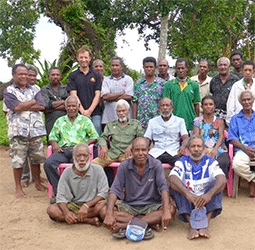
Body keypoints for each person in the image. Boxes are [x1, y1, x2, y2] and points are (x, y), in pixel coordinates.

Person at [103, 137, 176, 238]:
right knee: (104, 211)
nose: (140, 153)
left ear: (148, 151)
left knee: (171, 209)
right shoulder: (124, 166)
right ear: (132, 152)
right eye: (137, 150)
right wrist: (109, 213)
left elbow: (163, 187)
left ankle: (126, 225)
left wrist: (167, 210)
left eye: (143, 150)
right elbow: (115, 190)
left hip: (152, 205)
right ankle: (148, 224)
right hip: (130, 206)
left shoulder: (156, 164)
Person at [169, 135, 226, 239]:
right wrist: (188, 194)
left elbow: (222, 179)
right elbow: (172, 178)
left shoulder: (211, 162)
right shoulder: (182, 161)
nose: (196, 149)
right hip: (188, 200)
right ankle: (192, 226)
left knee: (218, 185)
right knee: (176, 186)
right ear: (188, 149)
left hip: (205, 200)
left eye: (199, 146)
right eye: (193, 146)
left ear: (204, 148)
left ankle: (205, 224)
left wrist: (208, 195)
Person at [3, 64, 47, 198]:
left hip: (35, 130)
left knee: (36, 158)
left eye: (26, 74)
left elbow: (42, 105)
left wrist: (23, 106)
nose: (24, 76)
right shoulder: (9, 91)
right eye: (21, 74)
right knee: (18, 160)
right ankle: (18, 188)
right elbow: (16, 107)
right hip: (18, 131)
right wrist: (33, 101)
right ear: (13, 75)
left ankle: (38, 182)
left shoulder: (36, 88)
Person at [44, 96, 98, 198]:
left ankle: (77, 194)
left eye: (74, 106)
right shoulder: (60, 121)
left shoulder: (85, 120)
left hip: (79, 152)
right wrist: (54, 145)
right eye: (69, 106)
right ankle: (60, 190)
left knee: (79, 167)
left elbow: (95, 137)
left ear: (78, 107)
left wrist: (84, 145)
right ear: (65, 107)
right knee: (48, 163)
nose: (71, 108)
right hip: (63, 150)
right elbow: (52, 137)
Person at [46, 143, 108, 225]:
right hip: (73, 205)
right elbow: (61, 197)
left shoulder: (98, 169)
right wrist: (66, 213)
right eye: (79, 156)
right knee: (52, 209)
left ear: (90, 156)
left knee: (102, 208)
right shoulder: (67, 172)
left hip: (92, 206)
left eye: (85, 156)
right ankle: (88, 220)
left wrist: (86, 205)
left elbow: (103, 193)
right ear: (73, 156)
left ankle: (76, 218)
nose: (82, 159)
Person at [92, 99, 143, 168]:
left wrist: (131, 146)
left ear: (128, 111)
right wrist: (103, 146)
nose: (121, 113)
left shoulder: (136, 124)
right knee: (93, 165)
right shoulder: (110, 124)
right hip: (112, 154)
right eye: (119, 111)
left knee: (135, 166)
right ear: (116, 112)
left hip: (128, 154)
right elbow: (102, 137)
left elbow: (140, 139)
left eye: (123, 111)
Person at [67, 45, 102, 135]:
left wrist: (89, 111)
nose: (83, 60)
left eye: (86, 57)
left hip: (94, 112)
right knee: (79, 137)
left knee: (96, 134)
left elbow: (98, 95)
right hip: (77, 112)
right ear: (77, 58)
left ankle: (95, 149)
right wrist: (82, 112)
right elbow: (73, 94)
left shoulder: (96, 75)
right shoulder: (73, 75)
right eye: (81, 57)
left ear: (90, 58)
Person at [144, 98, 188, 169]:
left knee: (180, 165)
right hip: (157, 152)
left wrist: (183, 147)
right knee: (146, 164)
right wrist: (144, 148)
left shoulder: (180, 121)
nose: (165, 108)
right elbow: (147, 138)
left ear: (172, 108)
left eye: (167, 105)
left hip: (174, 152)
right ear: (159, 108)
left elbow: (185, 137)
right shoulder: (152, 122)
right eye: (162, 106)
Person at [193, 96, 230, 177]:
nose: (208, 106)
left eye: (211, 104)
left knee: (223, 162)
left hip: (219, 148)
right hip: (201, 149)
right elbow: (196, 138)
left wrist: (215, 149)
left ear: (214, 106)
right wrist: (204, 150)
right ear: (202, 107)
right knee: (201, 162)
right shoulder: (197, 121)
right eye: (205, 104)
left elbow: (221, 137)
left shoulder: (219, 120)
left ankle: (220, 185)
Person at [228, 90, 255, 197]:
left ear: (253, 100)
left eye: (249, 99)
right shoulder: (235, 119)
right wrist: (245, 149)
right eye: (244, 100)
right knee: (237, 164)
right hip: (242, 149)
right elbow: (232, 138)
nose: (247, 102)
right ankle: (252, 180)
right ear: (241, 102)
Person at [163, 58, 200, 132]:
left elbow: (196, 105)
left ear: (187, 69)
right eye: (178, 68)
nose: (180, 70)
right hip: (173, 124)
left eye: (183, 68)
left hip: (189, 123)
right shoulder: (169, 85)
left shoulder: (194, 84)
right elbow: (165, 105)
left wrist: (196, 122)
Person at [133, 56, 165, 130]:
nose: (149, 69)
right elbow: (135, 102)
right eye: (146, 67)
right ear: (143, 68)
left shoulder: (162, 83)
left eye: (151, 67)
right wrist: (134, 120)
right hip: (141, 120)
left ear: (155, 68)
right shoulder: (138, 83)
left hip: (158, 120)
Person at [101, 56, 134, 125]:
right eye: (113, 65)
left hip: (125, 119)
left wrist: (111, 96)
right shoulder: (106, 80)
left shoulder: (128, 79)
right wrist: (121, 93)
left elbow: (129, 96)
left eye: (117, 65)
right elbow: (105, 97)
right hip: (109, 118)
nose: (114, 67)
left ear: (121, 67)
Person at [41, 67, 69, 136]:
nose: (55, 77)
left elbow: (69, 105)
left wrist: (52, 107)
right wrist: (62, 102)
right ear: (49, 76)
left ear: (60, 76)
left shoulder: (66, 88)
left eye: (57, 75)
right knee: (52, 144)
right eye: (53, 75)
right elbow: (46, 105)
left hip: (65, 122)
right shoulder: (45, 89)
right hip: (51, 122)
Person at [226, 60, 255, 125]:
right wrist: (232, 122)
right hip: (239, 122)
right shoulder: (236, 86)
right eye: (245, 70)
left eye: (250, 70)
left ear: (253, 71)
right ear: (242, 71)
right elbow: (230, 106)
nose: (247, 72)